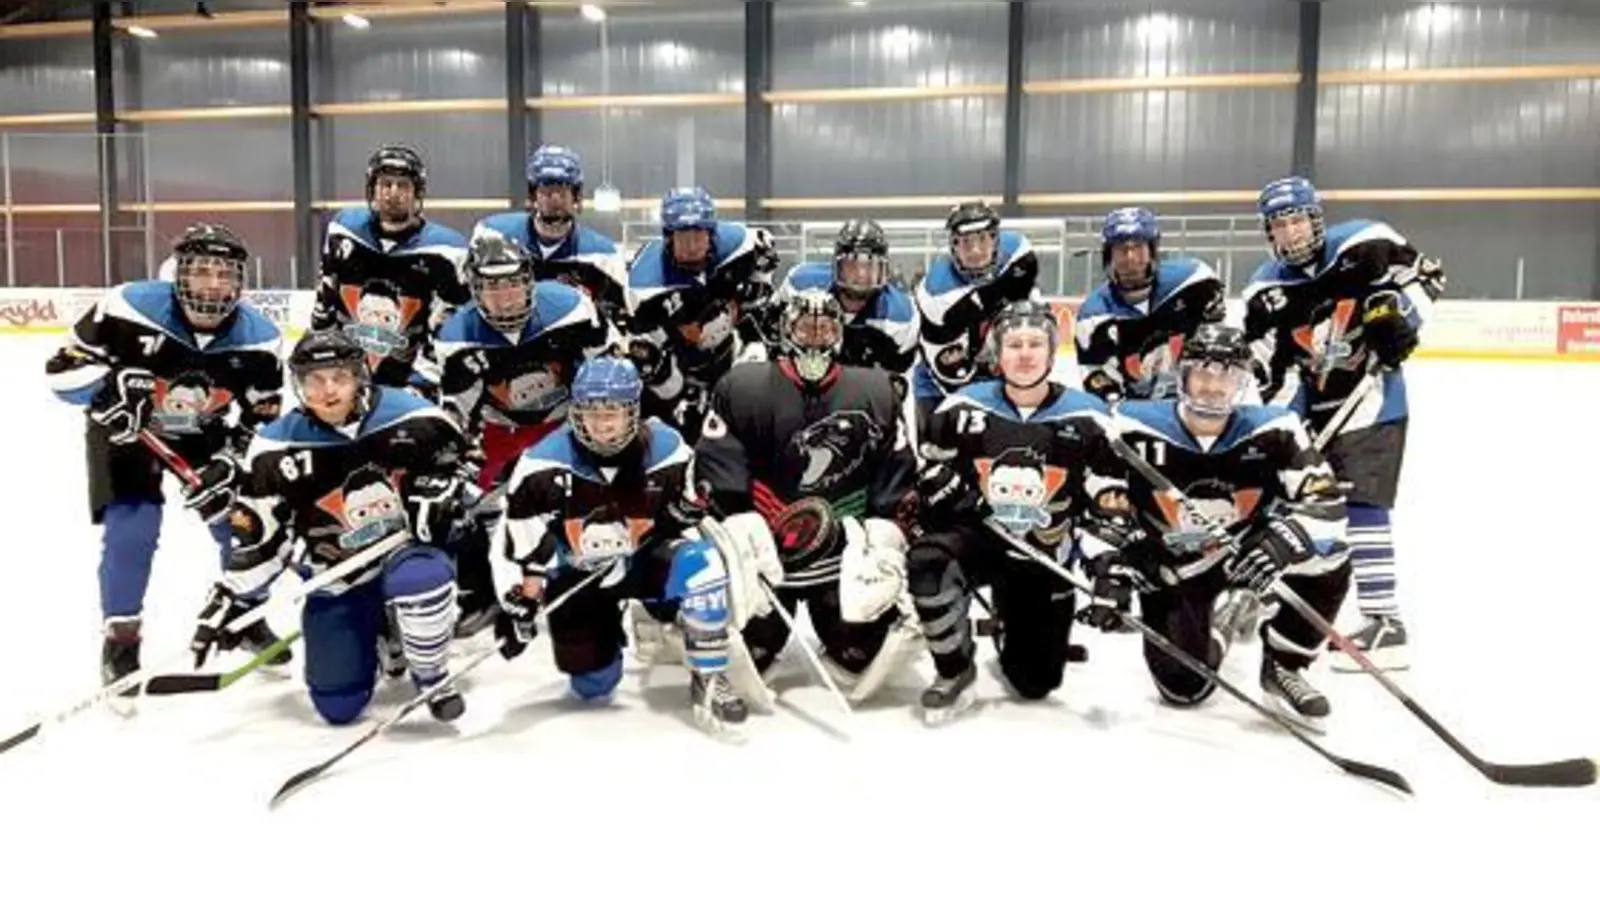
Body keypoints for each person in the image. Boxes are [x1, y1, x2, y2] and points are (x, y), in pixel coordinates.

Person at [44, 223, 289, 689]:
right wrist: (108, 387)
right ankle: (122, 639)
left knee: (242, 524)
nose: (213, 284)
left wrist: (231, 459)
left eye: (225, 274)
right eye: (202, 272)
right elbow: (60, 372)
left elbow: (263, 416)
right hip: (126, 432)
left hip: (203, 434)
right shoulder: (126, 305)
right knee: (133, 529)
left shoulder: (261, 338)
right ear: (179, 273)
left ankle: (243, 615)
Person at [190, 330, 473, 724]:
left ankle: (431, 675)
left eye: (339, 377)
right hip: (336, 574)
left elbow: (465, 469)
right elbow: (264, 535)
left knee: (420, 577)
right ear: (298, 385)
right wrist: (234, 598)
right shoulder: (273, 447)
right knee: (337, 706)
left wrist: (448, 495)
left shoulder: (415, 417)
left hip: (406, 555)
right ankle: (381, 633)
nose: (328, 391)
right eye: (315, 380)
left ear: (359, 377)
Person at [1104, 323, 1352, 730]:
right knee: (1184, 688)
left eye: (1228, 376)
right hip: (1173, 567)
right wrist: (1118, 556)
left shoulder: (1276, 428)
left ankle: (1285, 665)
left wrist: (1283, 542)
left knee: (1331, 556)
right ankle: (1226, 618)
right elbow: (1094, 492)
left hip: (1246, 558)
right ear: (1182, 375)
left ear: (1243, 382)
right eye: (1203, 373)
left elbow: (1327, 506)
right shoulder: (1129, 424)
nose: (1213, 387)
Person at [1240, 176, 1441, 671]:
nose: (1291, 232)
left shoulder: (1365, 244)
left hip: (1371, 399)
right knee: (1294, 499)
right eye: (1279, 224)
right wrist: (1277, 415)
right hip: (1312, 407)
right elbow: (1266, 362)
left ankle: (1385, 621)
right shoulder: (1265, 288)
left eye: (1297, 219)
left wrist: (1402, 319)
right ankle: (1279, 593)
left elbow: (1427, 279)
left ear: (1316, 218)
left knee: (1361, 501)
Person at [690, 285, 921, 707]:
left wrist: (885, 534)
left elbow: (896, 472)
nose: (815, 338)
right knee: (754, 645)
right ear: (785, 331)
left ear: (840, 333)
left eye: (825, 328)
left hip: (840, 554)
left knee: (857, 650)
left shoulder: (876, 390)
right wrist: (736, 525)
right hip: (766, 555)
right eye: (805, 328)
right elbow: (717, 466)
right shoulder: (741, 387)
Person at [495, 358, 746, 730]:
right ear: (575, 411)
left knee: (702, 564)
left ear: (633, 411)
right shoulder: (540, 464)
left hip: (645, 558)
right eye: (591, 413)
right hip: (580, 573)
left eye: (611, 412)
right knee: (593, 686)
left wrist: (687, 510)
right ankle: (610, 637)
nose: (601, 424)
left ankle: (708, 673)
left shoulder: (668, 448)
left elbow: (693, 506)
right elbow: (528, 542)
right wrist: (527, 599)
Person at [908, 300, 1126, 723]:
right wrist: (943, 493)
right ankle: (954, 668)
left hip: (1044, 549)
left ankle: (1013, 619)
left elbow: (1106, 503)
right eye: (1014, 344)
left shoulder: (1090, 416)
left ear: (1052, 351)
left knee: (1035, 683)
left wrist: (1108, 569)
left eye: (1035, 344)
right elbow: (931, 477)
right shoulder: (960, 408)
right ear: (997, 352)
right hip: (981, 538)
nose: (1025, 354)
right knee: (928, 559)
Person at [432, 234, 615, 635]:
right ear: (474, 289)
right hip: (501, 429)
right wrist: (456, 457)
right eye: (492, 288)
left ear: (530, 281)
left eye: (512, 284)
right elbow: (456, 410)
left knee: (599, 490)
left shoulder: (571, 308)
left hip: (567, 421)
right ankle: (477, 594)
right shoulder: (455, 336)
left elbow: (608, 372)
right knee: (459, 505)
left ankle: (600, 582)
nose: (505, 299)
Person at [310, 143, 470, 391]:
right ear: (372, 189)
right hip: (345, 377)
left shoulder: (446, 252)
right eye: (385, 184)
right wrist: (325, 363)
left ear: (417, 193)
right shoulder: (344, 230)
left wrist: (421, 384)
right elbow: (325, 304)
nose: (393, 193)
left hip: (407, 384)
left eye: (403, 185)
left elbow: (447, 330)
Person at [625, 186, 779, 442]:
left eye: (699, 235)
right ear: (668, 237)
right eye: (683, 237)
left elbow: (767, 249)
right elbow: (649, 355)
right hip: (680, 360)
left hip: (731, 347)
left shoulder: (737, 242)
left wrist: (755, 296)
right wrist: (678, 391)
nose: (692, 246)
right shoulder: (644, 287)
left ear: (712, 232)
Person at [1074, 207, 1227, 402]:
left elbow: (1218, 342)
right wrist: (1115, 403)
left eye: (1138, 247)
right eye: (1121, 250)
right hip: (1136, 409)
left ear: (1152, 251)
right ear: (1108, 256)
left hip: (1197, 401)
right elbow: (1094, 372)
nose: (1130, 258)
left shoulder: (1194, 283)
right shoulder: (1093, 316)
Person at [911, 200, 1042, 425]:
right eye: (966, 242)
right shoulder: (937, 296)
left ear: (995, 239)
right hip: (939, 384)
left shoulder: (1019, 253)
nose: (975, 251)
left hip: (996, 370)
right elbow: (951, 374)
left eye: (982, 239)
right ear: (953, 246)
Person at [471, 144, 629, 328]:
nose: (555, 200)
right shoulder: (494, 235)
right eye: (546, 191)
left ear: (576, 196)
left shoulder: (604, 256)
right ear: (533, 195)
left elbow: (619, 317)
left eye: (562, 191)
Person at [757, 219, 918, 377]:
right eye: (852, 266)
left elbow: (896, 380)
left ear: (884, 270)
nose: (861, 275)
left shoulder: (900, 316)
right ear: (837, 266)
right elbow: (769, 327)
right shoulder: (800, 283)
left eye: (870, 267)